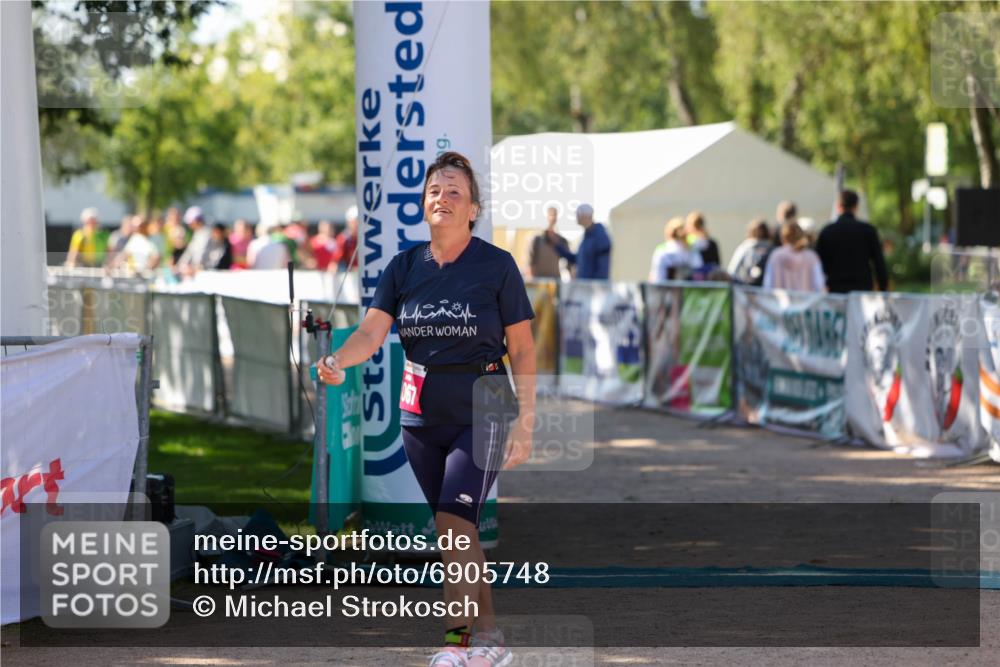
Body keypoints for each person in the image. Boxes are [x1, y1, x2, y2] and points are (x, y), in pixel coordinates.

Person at [315, 152, 535, 667]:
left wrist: (526, 420)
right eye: (435, 190)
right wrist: (336, 360)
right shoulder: (404, 266)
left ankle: (455, 647)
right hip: (418, 414)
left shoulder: (497, 265)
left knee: (454, 524)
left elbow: (522, 349)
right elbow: (371, 333)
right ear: (424, 204)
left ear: (474, 208)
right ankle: (490, 641)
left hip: (485, 407)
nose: (443, 197)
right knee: (457, 530)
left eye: (455, 190)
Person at [815, 190, 889, 293]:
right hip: (862, 290)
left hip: (835, 289)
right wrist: (883, 288)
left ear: (838, 206)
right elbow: (879, 262)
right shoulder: (868, 230)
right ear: (856, 206)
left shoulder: (827, 232)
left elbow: (819, 264)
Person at [762, 221, 826, 292]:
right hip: (807, 301)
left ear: (783, 237)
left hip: (781, 301)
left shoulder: (776, 255)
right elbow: (819, 285)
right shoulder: (811, 256)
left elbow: (768, 284)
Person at [553, 203, 611, 279]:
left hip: (592, 288)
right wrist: (557, 246)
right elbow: (577, 259)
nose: (576, 217)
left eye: (579, 214)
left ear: (586, 216)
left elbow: (603, 270)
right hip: (584, 286)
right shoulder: (586, 237)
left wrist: (593, 287)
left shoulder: (600, 237)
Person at [653, 217, 703, 281]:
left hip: (669, 289)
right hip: (686, 289)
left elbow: (658, 277)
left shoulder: (662, 251)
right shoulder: (692, 251)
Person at [727, 218, 772, 285]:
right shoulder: (746, 248)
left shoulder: (770, 249)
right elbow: (732, 270)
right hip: (757, 288)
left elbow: (732, 270)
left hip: (754, 288)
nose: (758, 233)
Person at [527, 206, 568, 279]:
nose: (553, 218)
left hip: (555, 281)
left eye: (555, 215)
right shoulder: (536, 239)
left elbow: (568, 262)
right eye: (551, 215)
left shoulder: (562, 240)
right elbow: (530, 262)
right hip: (539, 281)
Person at [175, 206, 212, 277]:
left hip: (205, 272)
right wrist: (179, 266)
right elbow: (189, 252)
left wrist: (194, 267)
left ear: (197, 220)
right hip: (195, 271)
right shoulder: (197, 233)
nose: (189, 225)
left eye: (191, 222)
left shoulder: (206, 234)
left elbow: (202, 253)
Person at [331, 206, 359, 271]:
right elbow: (335, 261)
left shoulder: (368, 237)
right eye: (355, 222)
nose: (357, 224)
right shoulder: (343, 239)